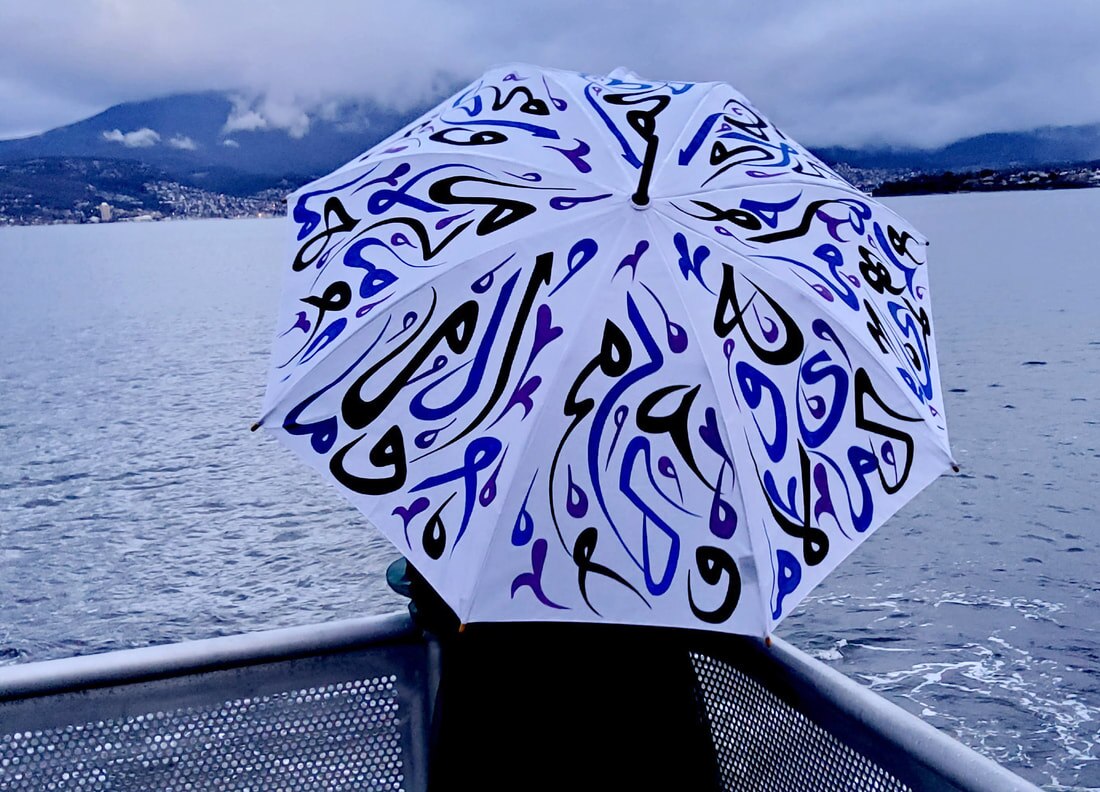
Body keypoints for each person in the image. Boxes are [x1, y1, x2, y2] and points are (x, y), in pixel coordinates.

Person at [387, 558, 723, 790]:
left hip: (495, 727)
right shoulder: (644, 518)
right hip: (649, 723)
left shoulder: (486, 501)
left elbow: (430, 599)